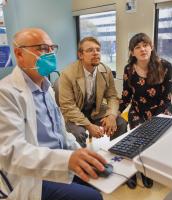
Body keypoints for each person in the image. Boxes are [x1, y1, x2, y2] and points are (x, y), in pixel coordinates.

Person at [0, 28, 106, 200]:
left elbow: (61, 134)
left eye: (51, 48)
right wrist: (67, 160)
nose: (50, 54)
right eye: (42, 48)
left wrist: (81, 154)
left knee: (98, 179)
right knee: (92, 197)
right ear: (19, 54)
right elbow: (11, 153)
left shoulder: (47, 89)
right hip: (32, 175)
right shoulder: (6, 93)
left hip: (58, 160)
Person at [119, 33, 172, 188]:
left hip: (161, 110)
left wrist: (154, 120)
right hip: (138, 110)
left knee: (159, 140)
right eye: (137, 47)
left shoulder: (165, 65)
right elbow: (126, 95)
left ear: (151, 47)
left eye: (145, 45)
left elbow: (167, 97)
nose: (142, 49)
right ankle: (137, 171)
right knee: (137, 141)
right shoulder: (129, 69)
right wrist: (115, 113)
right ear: (132, 52)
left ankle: (150, 169)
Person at [59, 36, 127, 147]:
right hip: (74, 112)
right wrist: (88, 126)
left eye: (98, 50)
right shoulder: (68, 74)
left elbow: (112, 96)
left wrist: (111, 116)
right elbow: (68, 106)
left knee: (120, 123)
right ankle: (82, 161)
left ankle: (116, 153)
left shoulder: (106, 70)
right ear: (80, 55)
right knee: (78, 133)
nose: (96, 53)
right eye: (90, 50)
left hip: (96, 110)